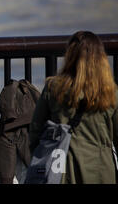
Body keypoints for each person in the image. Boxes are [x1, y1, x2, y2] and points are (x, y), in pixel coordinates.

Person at [29, 31, 118, 184]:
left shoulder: (54, 88)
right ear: (101, 58)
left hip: (63, 170)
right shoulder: (111, 92)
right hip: (101, 170)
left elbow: (35, 132)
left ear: (70, 55)